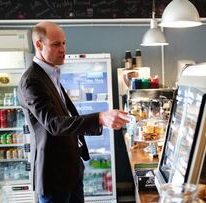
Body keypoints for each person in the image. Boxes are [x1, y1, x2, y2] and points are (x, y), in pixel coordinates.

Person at [17, 21, 129, 203]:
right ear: (39, 45)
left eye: (63, 43)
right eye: (56, 44)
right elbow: (54, 124)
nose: (63, 49)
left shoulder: (51, 74)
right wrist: (100, 117)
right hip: (54, 176)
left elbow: (68, 116)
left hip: (72, 171)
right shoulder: (31, 80)